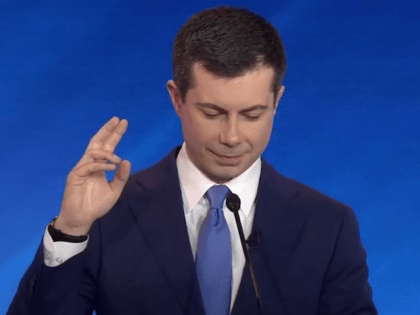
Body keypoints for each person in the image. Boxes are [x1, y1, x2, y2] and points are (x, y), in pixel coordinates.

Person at [7, 6, 378, 315]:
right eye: (213, 112)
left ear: (277, 101)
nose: (232, 137)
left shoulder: (329, 226)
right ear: (177, 98)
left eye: (252, 114)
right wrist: (71, 231)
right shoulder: (106, 215)